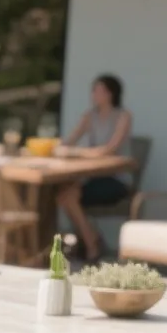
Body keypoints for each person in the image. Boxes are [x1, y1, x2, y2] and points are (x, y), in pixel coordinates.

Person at [55, 74, 133, 261]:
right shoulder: (89, 116)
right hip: (92, 177)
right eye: (94, 90)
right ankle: (92, 239)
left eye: (100, 90)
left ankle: (91, 245)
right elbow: (69, 142)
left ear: (112, 93)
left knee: (69, 197)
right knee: (63, 195)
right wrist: (57, 147)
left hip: (116, 180)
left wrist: (79, 153)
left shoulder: (123, 116)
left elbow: (110, 150)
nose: (95, 94)